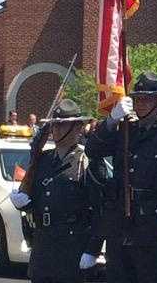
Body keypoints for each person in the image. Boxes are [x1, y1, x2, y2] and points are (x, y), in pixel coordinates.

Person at [84, 72, 157, 283]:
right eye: (137, 99)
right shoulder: (125, 131)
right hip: (120, 222)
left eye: (146, 99)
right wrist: (111, 120)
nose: (140, 104)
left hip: (154, 224)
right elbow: (92, 150)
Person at [9, 99, 95, 283]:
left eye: (62, 125)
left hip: (71, 246)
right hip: (44, 245)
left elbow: (98, 209)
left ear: (77, 128)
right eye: (55, 125)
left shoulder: (85, 161)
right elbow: (39, 200)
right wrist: (24, 203)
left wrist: (92, 249)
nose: (56, 130)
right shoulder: (44, 160)